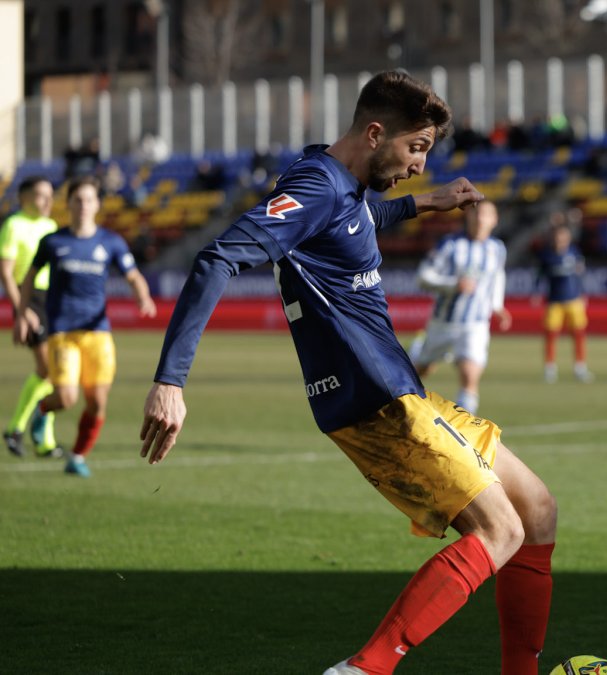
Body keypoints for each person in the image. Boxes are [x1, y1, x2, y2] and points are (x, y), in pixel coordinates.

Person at [138, 72, 556, 675]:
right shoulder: (317, 185)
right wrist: (171, 380)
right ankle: (364, 670)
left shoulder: (341, 183)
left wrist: (425, 202)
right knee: (502, 530)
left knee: (538, 509)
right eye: (416, 149)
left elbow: (354, 220)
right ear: (376, 132)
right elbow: (218, 257)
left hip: (401, 388)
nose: (419, 164)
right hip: (375, 400)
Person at [15, 176, 157, 477]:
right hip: (62, 332)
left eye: (89, 200)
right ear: (69, 205)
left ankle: (78, 456)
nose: (83, 206)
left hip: (98, 333)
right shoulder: (53, 241)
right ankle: (42, 410)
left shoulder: (111, 242)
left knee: (97, 403)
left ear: (97, 205)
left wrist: (143, 296)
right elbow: (29, 278)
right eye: (77, 200)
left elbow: (133, 276)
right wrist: (23, 311)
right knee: (67, 397)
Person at [409, 199, 512, 415]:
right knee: (422, 371)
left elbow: (497, 276)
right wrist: (453, 285)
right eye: (476, 214)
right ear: (468, 217)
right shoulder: (450, 245)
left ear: (494, 220)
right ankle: (418, 353)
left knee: (469, 374)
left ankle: (466, 431)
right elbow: (423, 277)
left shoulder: (497, 249)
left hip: (475, 324)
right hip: (443, 322)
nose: (480, 219)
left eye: (485, 214)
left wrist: (497, 306)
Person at [2, 176, 63, 457]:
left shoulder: (51, 227)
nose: (48, 201)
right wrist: (22, 310)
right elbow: (6, 272)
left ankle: (34, 437)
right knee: (48, 369)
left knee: (51, 373)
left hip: (52, 299)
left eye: (50, 194)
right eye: (41, 195)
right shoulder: (14, 225)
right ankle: (26, 431)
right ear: (24, 198)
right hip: (31, 301)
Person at [534, 221, 592, 383]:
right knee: (551, 335)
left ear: (568, 237)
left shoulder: (574, 253)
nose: (561, 239)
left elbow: (580, 275)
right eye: (558, 236)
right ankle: (550, 369)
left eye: (564, 236)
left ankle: (580, 368)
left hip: (574, 300)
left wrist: (583, 293)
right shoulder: (547, 255)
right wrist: (537, 292)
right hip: (554, 301)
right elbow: (539, 275)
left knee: (579, 335)